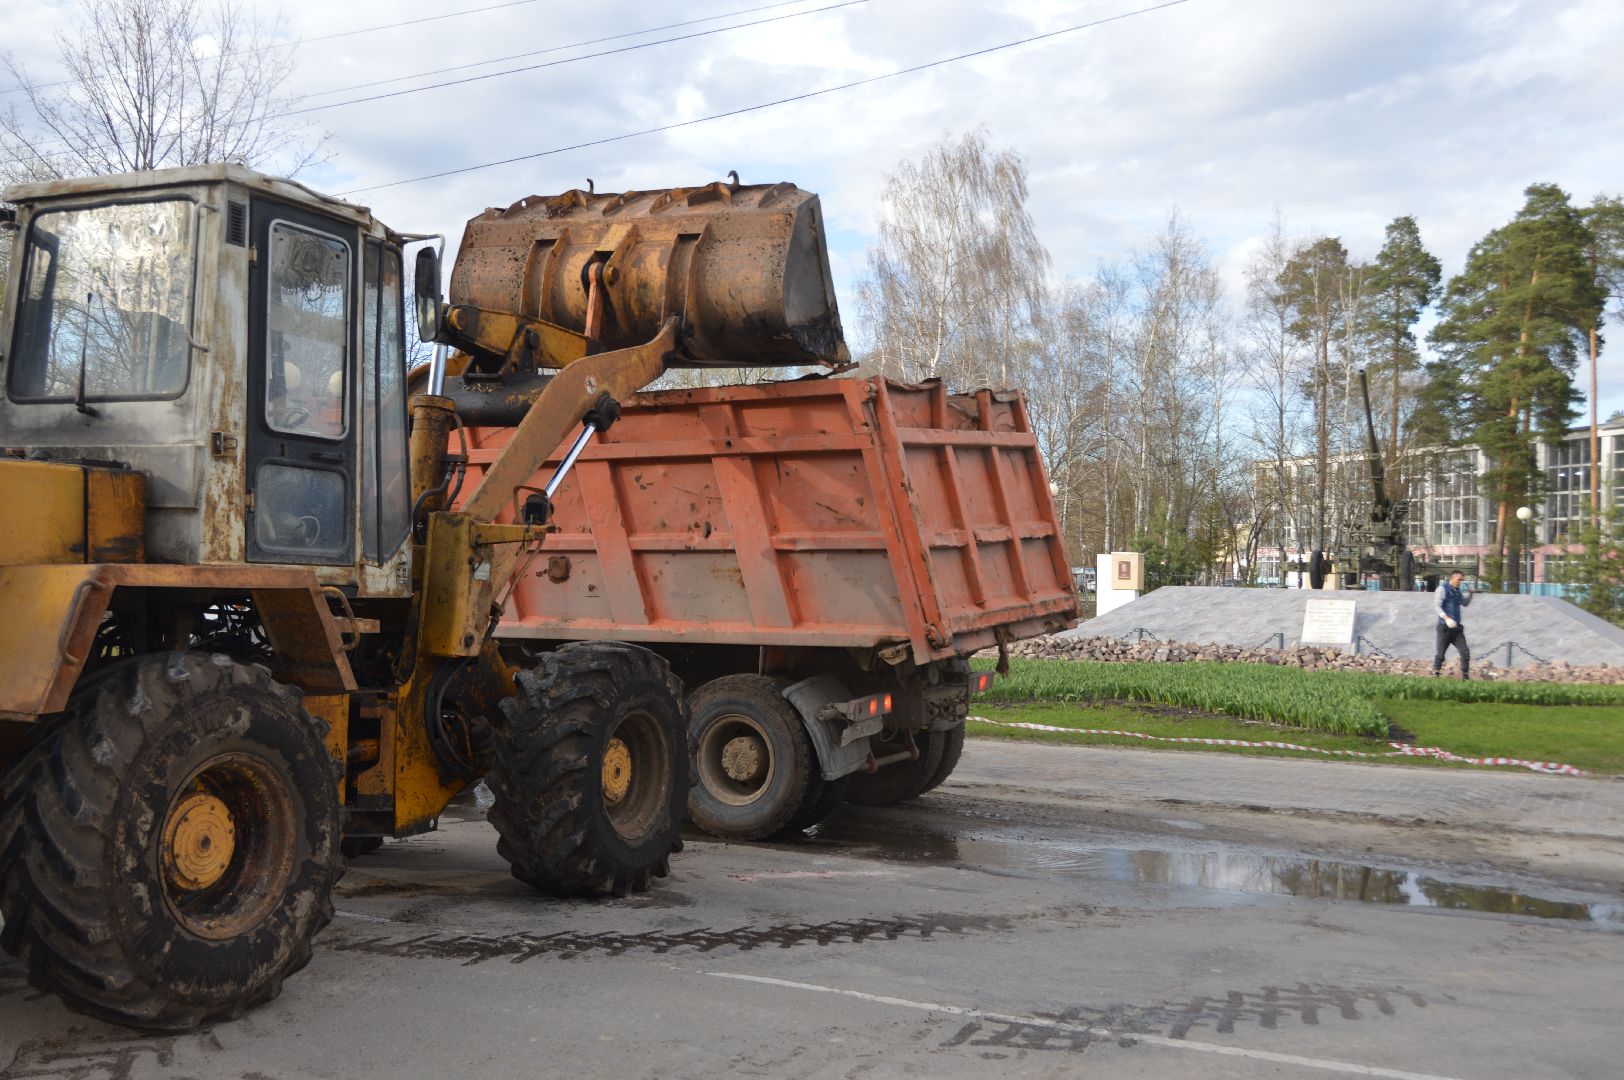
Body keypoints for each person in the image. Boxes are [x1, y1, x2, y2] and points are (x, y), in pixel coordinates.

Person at [1433, 570, 1473, 679]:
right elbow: (1437, 606)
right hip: (1444, 627)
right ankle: (1435, 674)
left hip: (1456, 628)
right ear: (1452, 578)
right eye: (1459, 579)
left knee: (1465, 651)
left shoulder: (1457, 591)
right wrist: (1446, 618)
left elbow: (1464, 603)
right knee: (1440, 654)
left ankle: (1465, 676)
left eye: (1461, 580)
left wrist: (1470, 594)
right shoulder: (1442, 589)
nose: (1460, 582)